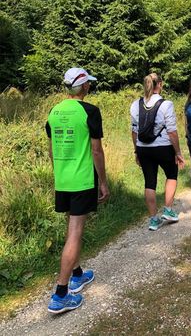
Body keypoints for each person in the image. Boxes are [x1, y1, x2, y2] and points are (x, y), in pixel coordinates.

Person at [46, 67, 109, 314]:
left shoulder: (54, 111)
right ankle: (61, 294)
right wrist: (103, 181)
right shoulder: (90, 111)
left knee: (70, 227)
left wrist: (58, 174)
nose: (89, 88)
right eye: (88, 84)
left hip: (62, 180)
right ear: (83, 87)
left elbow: (51, 149)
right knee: (75, 232)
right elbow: (96, 150)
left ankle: (77, 274)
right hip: (82, 180)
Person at [131, 73, 185, 231]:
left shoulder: (135, 104)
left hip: (143, 148)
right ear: (160, 84)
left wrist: (136, 151)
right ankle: (167, 210)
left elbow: (134, 131)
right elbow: (172, 132)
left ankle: (154, 219)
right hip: (163, 147)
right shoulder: (166, 104)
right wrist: (178, 153)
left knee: (149, 181)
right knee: (171, 175)